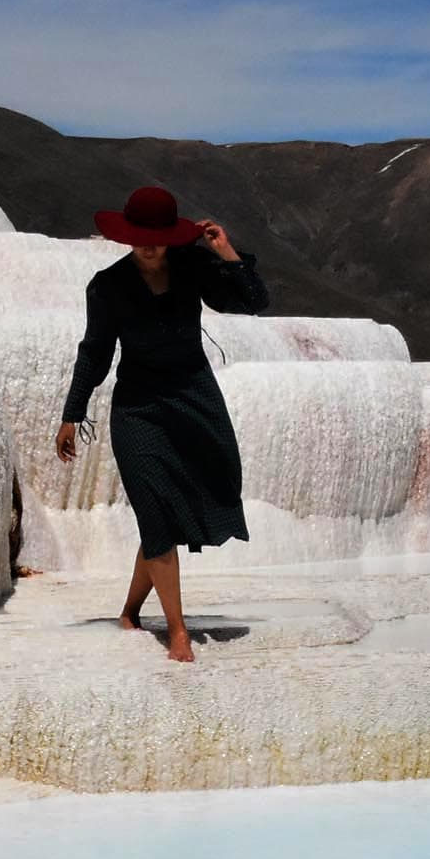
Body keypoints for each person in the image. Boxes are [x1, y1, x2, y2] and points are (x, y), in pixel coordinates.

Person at [54, 184, 271, 663]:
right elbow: (95, 352)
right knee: (154, 510)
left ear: (171, 236)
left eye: (157, 235)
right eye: (140, 235)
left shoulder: (192, 268)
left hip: (194, 400)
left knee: (167, 517)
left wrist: (227, 252)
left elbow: (254, 301)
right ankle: (178, 632)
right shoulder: (107, 285)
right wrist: (73, 412)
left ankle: (131, 609)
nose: (149, 244)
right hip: (138, 408)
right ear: (127, 235)